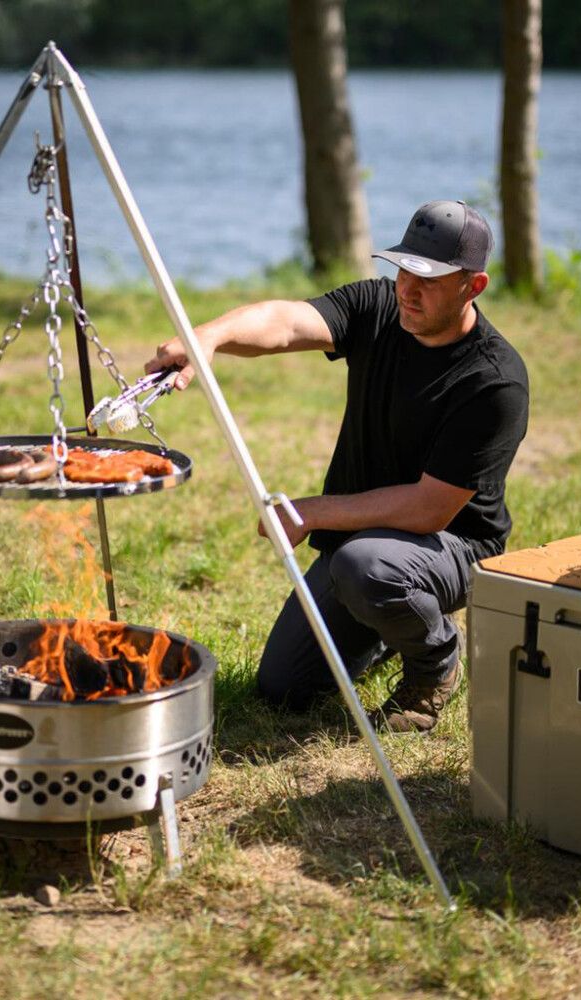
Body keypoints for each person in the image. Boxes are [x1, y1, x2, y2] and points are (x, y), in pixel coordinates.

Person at [145, 200, 529, 733]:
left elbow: (427, 509)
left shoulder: (495, 381)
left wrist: (312, 512)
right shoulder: (379, 306)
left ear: (474, 286)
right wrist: (207, 337)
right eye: (403, 270)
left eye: (431, 279)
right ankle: (391, 626)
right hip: (365, 542)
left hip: (453, 548)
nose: (408, 290)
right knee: (284, 689)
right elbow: (286, 320)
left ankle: (435, 659)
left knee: (365, 569)